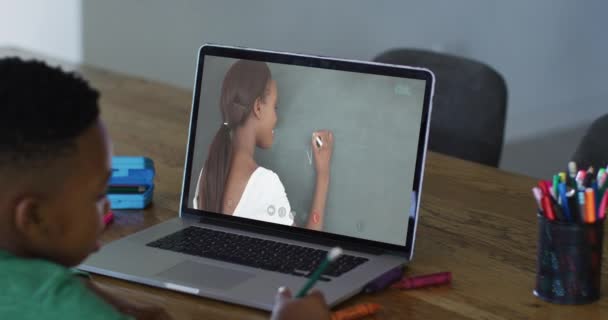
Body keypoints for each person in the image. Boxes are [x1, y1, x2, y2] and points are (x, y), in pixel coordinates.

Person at [0, 57, 330, 320]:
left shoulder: (210, 173)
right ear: (34, 217)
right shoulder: (64, 307)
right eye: (98, 194)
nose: (108, 209)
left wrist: (83, 289)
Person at [194, 60, 333, 231]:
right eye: (275, 107)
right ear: (258, 107)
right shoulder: (265, 184)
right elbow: (307, 246)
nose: (277, 119)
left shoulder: (208, 172)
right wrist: (323, 174)